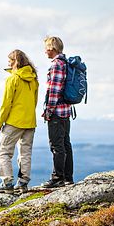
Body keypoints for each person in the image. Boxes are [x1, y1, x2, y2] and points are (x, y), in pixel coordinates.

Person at [0, 49, 39, 193]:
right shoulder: (33, 80)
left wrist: (0, 122)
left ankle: (7, 182)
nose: (8, 63)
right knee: (25, 152)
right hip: (30, 121)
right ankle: (23, 183)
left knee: (4, 151)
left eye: (9, 61)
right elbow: (34, 102)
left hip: (14, 121)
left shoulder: (12, 79)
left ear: (15, 62)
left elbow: (6, 103)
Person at [41, 36, 73, 188]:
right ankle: (68, 177)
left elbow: (54, 90)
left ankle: (57, 178)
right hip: (66, 110)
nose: (45, 51)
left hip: (57, 112)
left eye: (46, 48)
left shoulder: (56, 65)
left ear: (52, 48)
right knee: (66, 144)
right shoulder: (66, 63)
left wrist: (48, 110)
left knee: (56, 145)